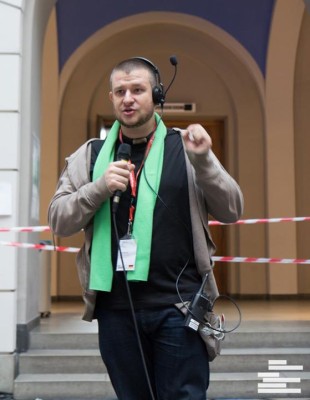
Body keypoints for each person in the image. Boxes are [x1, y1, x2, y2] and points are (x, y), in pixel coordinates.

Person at [48, 57, 244, 400]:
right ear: (111, 97)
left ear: (156, 95)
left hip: (178, 307)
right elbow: (58, 221)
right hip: (116, 311)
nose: (128, 98)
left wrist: (205, 161)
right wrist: (98, 189)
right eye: (120, 91)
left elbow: (232, 209)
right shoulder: (91, 156)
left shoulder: (185, 148)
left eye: (137, 90)